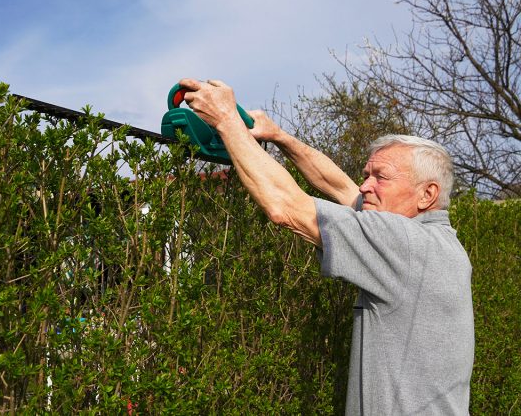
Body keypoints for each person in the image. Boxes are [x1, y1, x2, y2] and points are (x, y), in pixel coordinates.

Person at [178, 78, 474, 415]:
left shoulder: (405, 244)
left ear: (427, 194)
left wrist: (226, 120)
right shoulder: (438, 244)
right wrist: (279, 137)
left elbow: (285, 207)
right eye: (367, 174)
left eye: (381, 177)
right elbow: (341, 187)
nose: (366, 186)